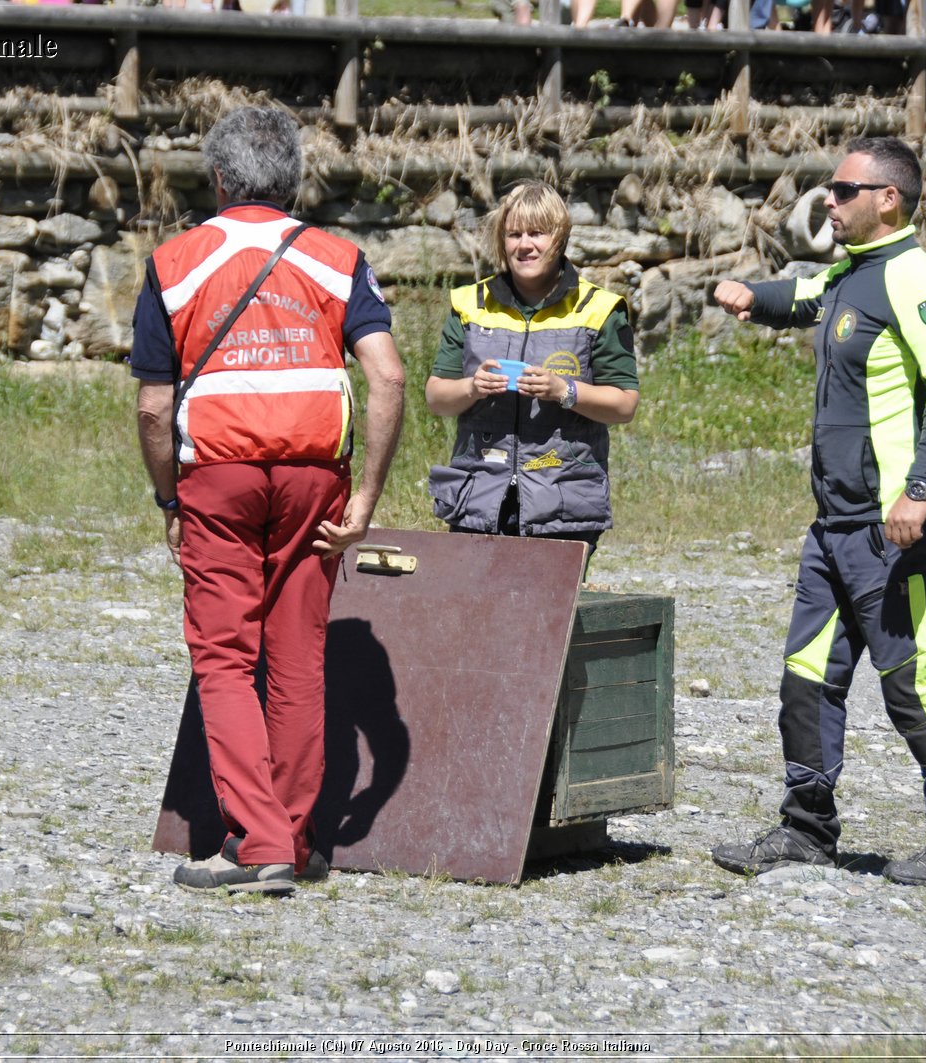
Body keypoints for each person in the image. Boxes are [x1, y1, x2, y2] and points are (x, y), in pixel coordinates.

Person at [131, 106, 406, 895]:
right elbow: (386, 375)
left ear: (218, 181)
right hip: (316, 475)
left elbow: (154, 408)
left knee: (224, 655)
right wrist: (367, 500)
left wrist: (167, 499)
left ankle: (256, 845)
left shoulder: (175, 262)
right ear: (292, 182)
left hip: (217, 473)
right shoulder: (337, 258)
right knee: (297, 655)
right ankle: (298, 836)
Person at [709, 136, 926, 886]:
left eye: (842, 190)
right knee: (806, 676)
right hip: (832, 529)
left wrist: (922, 490)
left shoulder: (914, 277)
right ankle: (807, 829)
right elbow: (799, 298)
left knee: (910, 680)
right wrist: (751, 293)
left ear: (887, 199)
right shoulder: (851, 272)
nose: (827, 200)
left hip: (890, 529)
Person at [424, 181, 638, 568]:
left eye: (537, 233)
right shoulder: (470, 304)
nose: (525, 245)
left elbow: (624, 405)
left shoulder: (600, 309)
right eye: (514, 234)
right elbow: (437, 397)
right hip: (478, 497)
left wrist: (564, 390)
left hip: (564, 502)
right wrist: (472, 388)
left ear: (560, 238)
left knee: (545, 625)